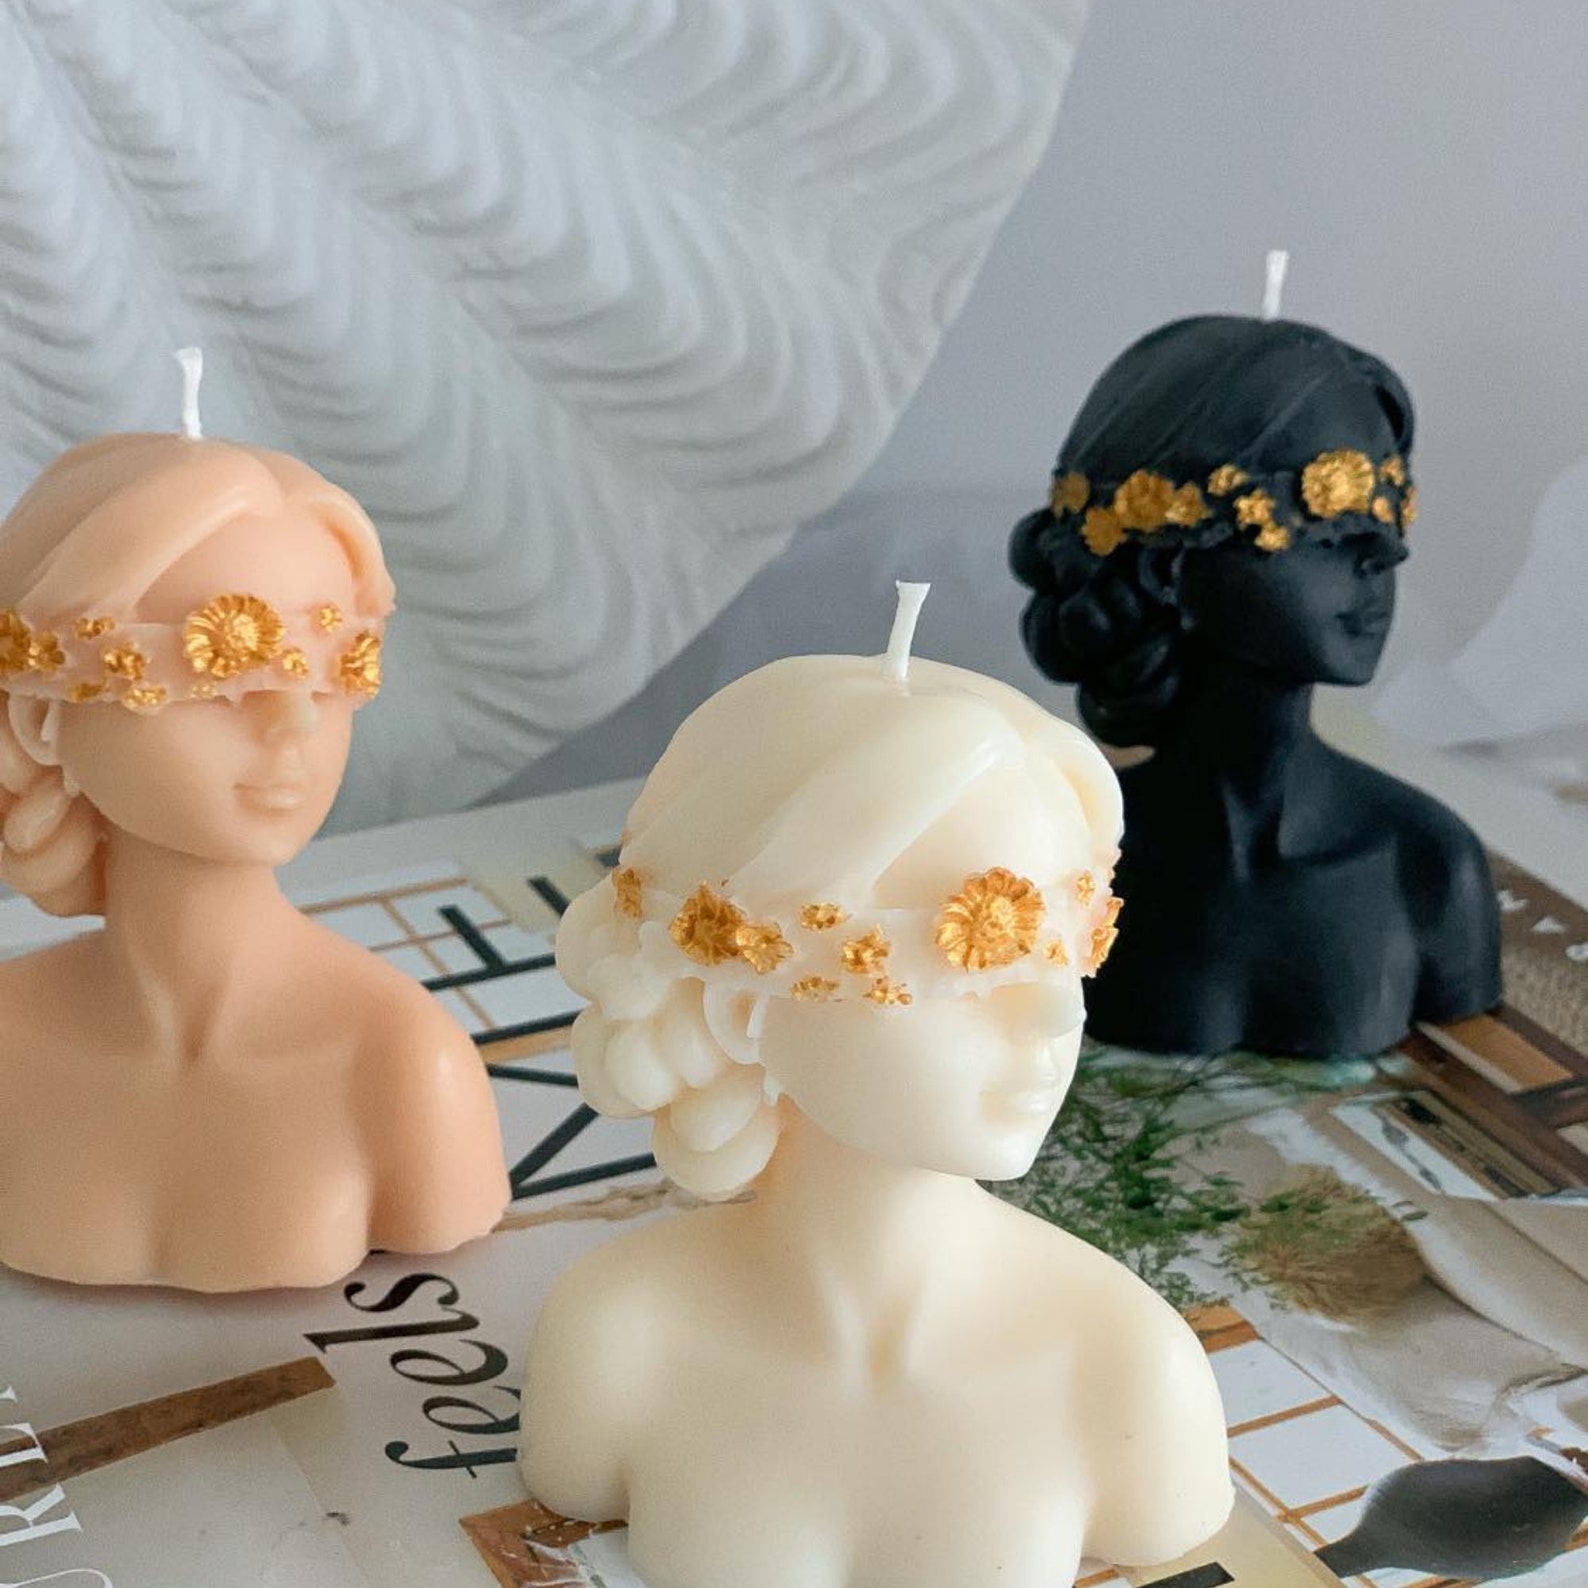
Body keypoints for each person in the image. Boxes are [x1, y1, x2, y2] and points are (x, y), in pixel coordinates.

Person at [520, 647, 1232, 1588]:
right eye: (971, 960)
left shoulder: (1128, 1372)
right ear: (743, 996)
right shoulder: (615, 1335)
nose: (1055, 1018)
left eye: (1069, 949)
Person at [0, 433, 508, 1290]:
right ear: (41, 718)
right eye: (223, 672)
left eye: (331, 669)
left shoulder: (403, 1069)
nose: (295, 726)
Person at [1010, 315, 1501, 1056]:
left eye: (1391, 507)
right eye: (1330, 518)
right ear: (1169, 561)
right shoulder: (1056, 862)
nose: (1387, 553)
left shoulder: (1426, 865)